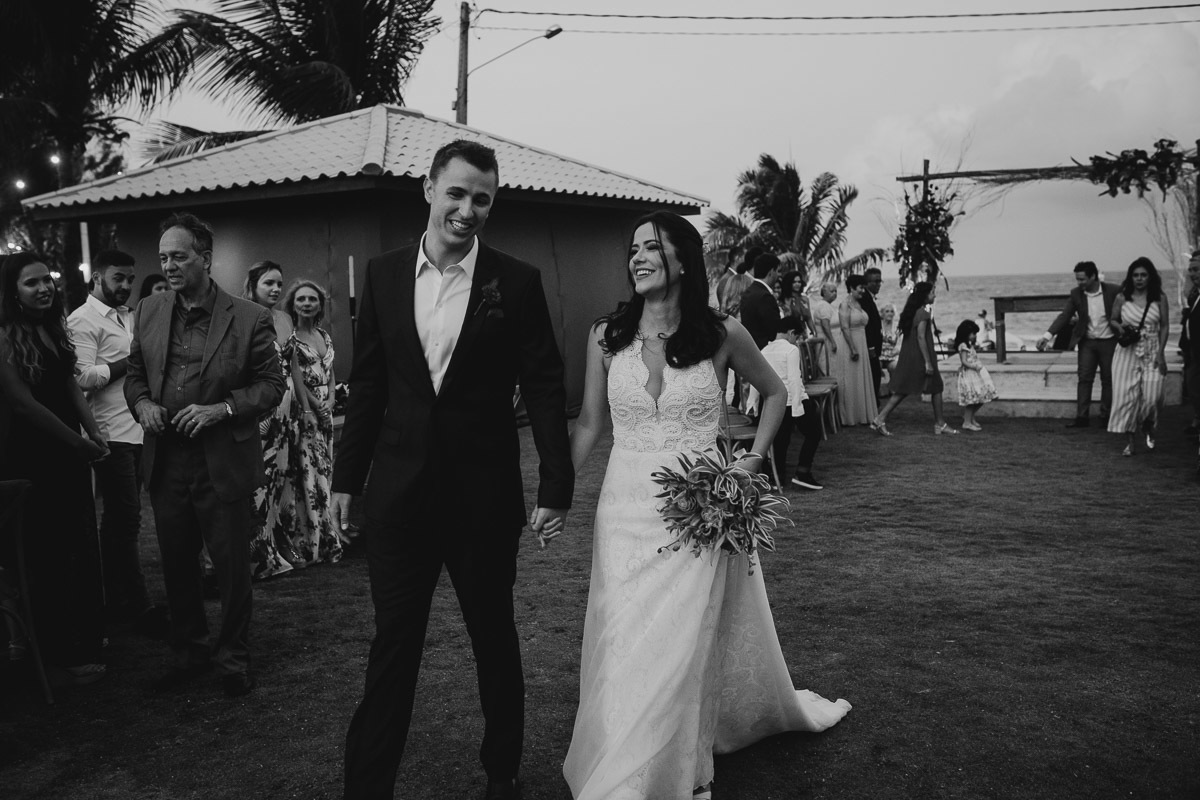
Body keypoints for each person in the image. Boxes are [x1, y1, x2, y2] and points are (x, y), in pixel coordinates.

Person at [563, 210, 850, 800]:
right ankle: (619, 751)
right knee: (623, 634)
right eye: (633, 249)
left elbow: (774, 393)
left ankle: (667, 771)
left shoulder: (722, 334)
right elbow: (591, 424)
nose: (637, 257)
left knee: (681, 641)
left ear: (683, 260)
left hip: (698, 510)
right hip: (622, 511)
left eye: (652, 248)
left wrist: (749, 462)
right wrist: (555, 493)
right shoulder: (604, 336)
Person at [331, 139, 573, 800]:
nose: (468, 210)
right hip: (399, 498)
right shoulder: (381, 276)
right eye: (458, 193)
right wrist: (345, 482)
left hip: (482, 499)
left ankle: (502, 771)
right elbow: (370, 383)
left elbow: (545, 386)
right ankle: (367, 784)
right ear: (430, 189)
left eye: (483, 199)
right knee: (393, 645)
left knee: (493, 636)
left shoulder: (515, 282)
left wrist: (555, 486)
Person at [125, 212, 285, 698]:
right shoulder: (149, 311)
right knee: (176, 562)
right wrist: (144, 404)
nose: (169, 265)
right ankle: (190, 650)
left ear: (206, 259)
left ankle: (233, 658)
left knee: (232, 566)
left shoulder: (249, 316)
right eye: (163, 258)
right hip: (167, 459)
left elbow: (272, 385)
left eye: (179, 256)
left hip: (221, 459)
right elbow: (134, 374)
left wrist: (223, 409)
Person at [0, 252, 108, 685]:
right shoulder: (5, 335)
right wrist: (76, 443)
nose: (44, 287)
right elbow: (24, 405)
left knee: (79, 546)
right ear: (12, 291)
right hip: (34, 457)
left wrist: (93, 432)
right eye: (32, 283)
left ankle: (83, 637)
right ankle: (59, 656)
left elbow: (69, 384)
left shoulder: (51, 327)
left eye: (47, 279)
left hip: (69, 452)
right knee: (49, 555)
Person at [67, 249, 167, 636]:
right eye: (118, 279)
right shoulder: (81, 320)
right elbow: (83, 378)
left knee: (122, 521)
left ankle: (114, 598)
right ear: (96, 277)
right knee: (125, 519)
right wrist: (134, 361)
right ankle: (139, 604)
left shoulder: (131, 315)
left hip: (141, 427)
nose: (126, 286)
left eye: (130, 278)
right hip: (109, 433)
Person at [281, 279, 342, 566]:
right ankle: (307, 540)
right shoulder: (290, 337)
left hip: (325, 409)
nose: (307, 303)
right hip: (303, 409)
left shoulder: (324, 335)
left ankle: (328, 534)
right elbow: (295, 376)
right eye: (301, 299)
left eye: (312, 299)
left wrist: (330, 396)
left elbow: (329, 372)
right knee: (307, 472)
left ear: (320, 304)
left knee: (326, 470)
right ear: (292, 304)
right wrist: (314, 406)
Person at [243, 260, 298, 579]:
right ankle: (257, 554)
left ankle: (275, 545)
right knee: (259, 479)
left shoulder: (286, 317)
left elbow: (294, 368)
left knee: (279, 477)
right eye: (268, 283)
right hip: (262, 408)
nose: (276, 289)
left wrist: (303, 407)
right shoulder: (245, 315)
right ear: (253, 286)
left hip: (286, 407)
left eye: (279, 283)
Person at [1035, 261, 1120, 428]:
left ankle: (1106, 416)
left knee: (1108, 379)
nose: (1079, 283)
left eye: (1082, 279)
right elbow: (1065, 316)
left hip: (1109, 341)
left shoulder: (1113, 291)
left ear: (1093, 276)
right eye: (1077, 279)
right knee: (1084, 378)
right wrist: (1047, 335)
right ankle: (1082, 417)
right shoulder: (1076, 294)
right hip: (1087, 341)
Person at [871, 282, 957, 436]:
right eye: (932, 292)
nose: (935, 295)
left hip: (910, 355)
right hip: (920, 356)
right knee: (935, 387)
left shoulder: (913, 312)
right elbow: (921, 337)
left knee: (909, 389)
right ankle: (940, 423)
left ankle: (880, 419)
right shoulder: (923, 313)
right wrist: (928, 362)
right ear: (925, 295)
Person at [1107, 257, 1169, 457]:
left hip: (1152, 349)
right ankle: (1130, 442)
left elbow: (1165, 325)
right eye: (1135, 275)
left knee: (1153, 396)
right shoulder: (1122, 297)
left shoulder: (1159, 297)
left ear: (1150, 276)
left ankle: (1148, 425)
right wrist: (1120, 327)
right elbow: (1113, 320)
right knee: (1127, 397)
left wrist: (1161, 354)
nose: (1139, 279)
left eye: (1143, 275)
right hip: (1127, 352)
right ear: (1130, 277)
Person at [757, 328, 825, 490]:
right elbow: (794, 378)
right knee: (814, 433)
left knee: (781, 440)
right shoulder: (791, 349)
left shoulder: (764, 350)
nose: (797, 341)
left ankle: (777, 477)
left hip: (773, 402)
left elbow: (758, 377)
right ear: (791, 332)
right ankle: (803, 472)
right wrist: (797, 405)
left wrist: (753, 402)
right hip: (793, 399)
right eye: (797, 337)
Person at [831, 274, 878, 425]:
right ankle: (849, 416)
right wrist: (852, 348)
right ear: (851, 288)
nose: (863, 291)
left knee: (860, 379)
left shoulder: (859, 303)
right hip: (849, 344)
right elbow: (845, 328)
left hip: (862, 342)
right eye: (860, 288)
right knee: (850, 380)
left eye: (863, 288)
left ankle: (862, 414)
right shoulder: (845, 304)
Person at [952, 320, 998, 431]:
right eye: (973, 334)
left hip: (975, 374)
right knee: (973, 399)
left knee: (981, 397)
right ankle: (967, 422)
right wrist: (974, 366)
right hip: (970, 374)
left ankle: (970, 418)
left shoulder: (969, 344)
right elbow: (964, 361)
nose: (975, 336)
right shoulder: (963, 346)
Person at [1179, 251, 1200, 436]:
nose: (1192, 274)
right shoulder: (1195, 295)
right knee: (1193, 389)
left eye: (1196, 270)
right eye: (1190, 270)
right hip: (1193, 351)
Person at [715, 246, 758, 318]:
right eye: (745, 256)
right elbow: (725, 308)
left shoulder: (736, 278)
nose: (748, 259)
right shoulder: (727, 279)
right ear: (737, 258)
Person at [862, 267, 885, 399]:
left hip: (874, 347)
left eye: (879, 281)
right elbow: (868, 326)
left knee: (875, 375)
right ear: (867, 283)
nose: (878, 285)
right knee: (874, 376)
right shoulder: (865, 298)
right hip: (870, 347)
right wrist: (871, 346)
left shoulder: (869, 298)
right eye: (875, 281)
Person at [810, 281, 838, 373]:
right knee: (828, 367)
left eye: (835, 291)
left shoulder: (827, 305)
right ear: (824, 292)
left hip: (829, 340)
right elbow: (825, 325)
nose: (834, 293)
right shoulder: (823, 306)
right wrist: (833, 341)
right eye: (832, 291)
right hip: (826, 341)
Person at [778, 269, 812, 338]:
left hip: (803, 332)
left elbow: (809, 319)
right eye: (794, 282)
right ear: (789, 283)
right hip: (791, 334)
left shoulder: (805, 299)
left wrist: (814, 332)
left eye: (799, 282)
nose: (797, 284)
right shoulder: (784, 300)